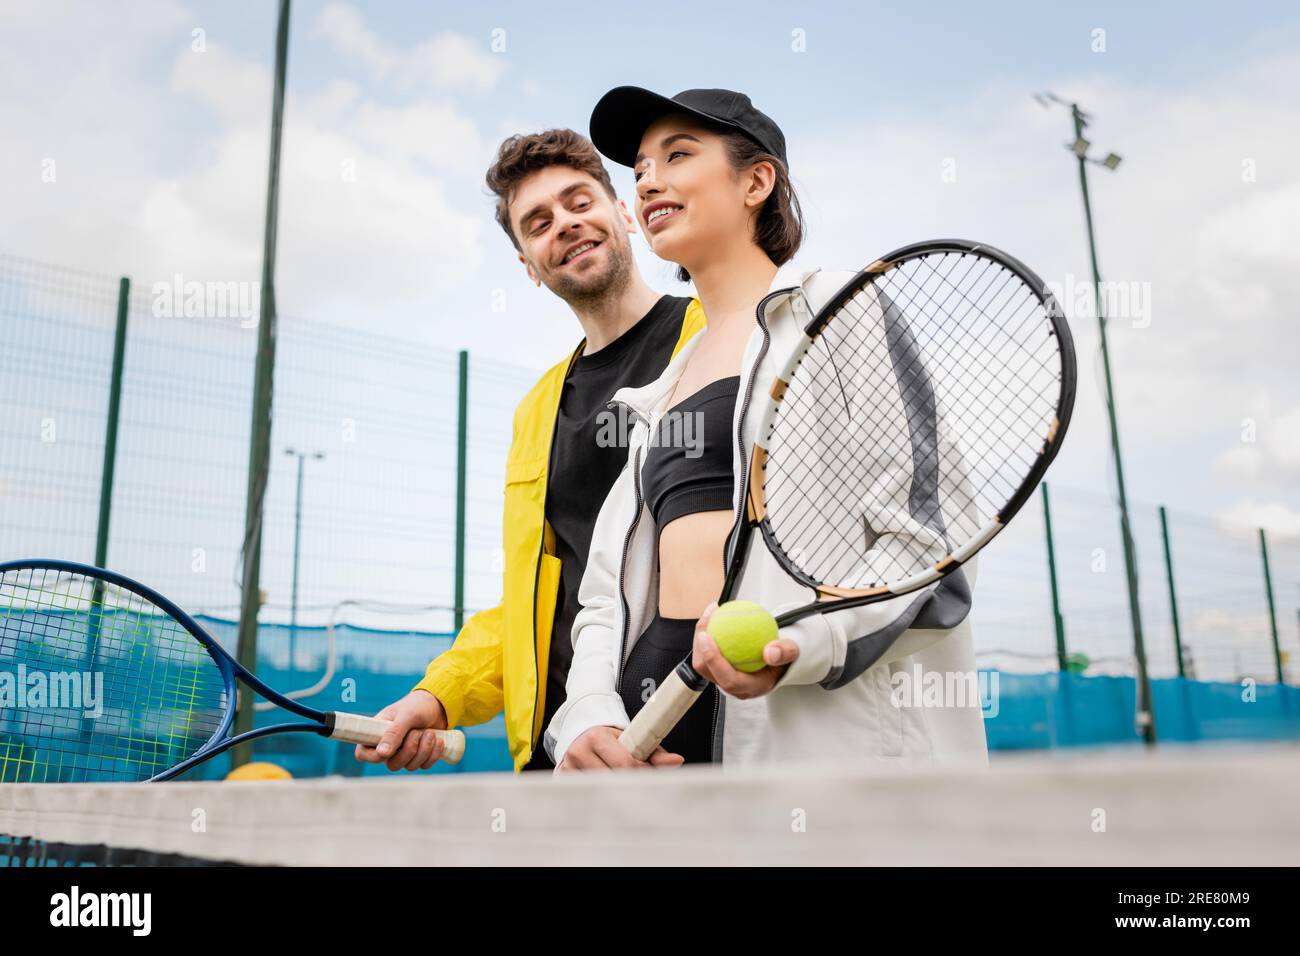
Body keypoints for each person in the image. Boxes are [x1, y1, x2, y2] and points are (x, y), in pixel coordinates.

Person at [547, 88, 988, 770]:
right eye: (639, 172)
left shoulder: (838, 309)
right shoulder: (662, 387)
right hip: (657, 748)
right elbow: (604, 596)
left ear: (757, 181)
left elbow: (927, 539)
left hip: (807, 748)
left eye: (678, 155)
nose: (650, 181)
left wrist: (799, 645)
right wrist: (589, 717)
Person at [355, 129, 705, 773]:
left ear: (622, 212)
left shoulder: (715, 335)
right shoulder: (537, 408)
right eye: (538, 223)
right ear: (528, 265)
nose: (565, 225)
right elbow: (533, 603)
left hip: (688, 738)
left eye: (579, 202)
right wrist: (438, 697)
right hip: (563, 756)